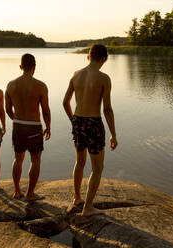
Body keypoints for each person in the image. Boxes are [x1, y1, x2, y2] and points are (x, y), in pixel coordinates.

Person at [63, 44, 118, 216]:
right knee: (97, 168)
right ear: (103, 59)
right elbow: (107, 109)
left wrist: (73, 120)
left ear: (88, 56)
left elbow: (65, 102)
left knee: (80, 161)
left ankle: (77, 198)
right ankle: (87, 208)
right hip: (93, 123)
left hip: (78, 121)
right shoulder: (104, 78)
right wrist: (113, 134)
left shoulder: (76, 74)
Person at [5, 53, 51, 201]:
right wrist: (48, 127)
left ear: (21, 67)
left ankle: (17, 191)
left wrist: (16, 120)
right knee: (35, 159)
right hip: (34, 127)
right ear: (34, 67)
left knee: (18, 159)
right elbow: (45, 110)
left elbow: (7, 109)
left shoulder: (11, 85)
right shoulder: (40, 86)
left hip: (18, 125)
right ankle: (30, 193)